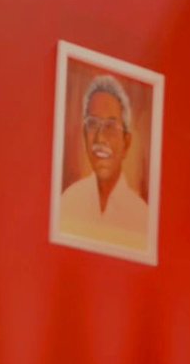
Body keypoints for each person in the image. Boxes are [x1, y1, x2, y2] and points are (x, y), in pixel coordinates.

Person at [59, 74, 150, 249]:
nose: (100, 138)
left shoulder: (143, 218)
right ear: (84, 134)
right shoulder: (68, 202)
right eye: (93, 124)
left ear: (127, 142)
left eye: (110, 126)